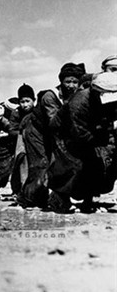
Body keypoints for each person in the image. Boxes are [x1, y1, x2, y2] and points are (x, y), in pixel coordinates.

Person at [17, 63, 86, 208]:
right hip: (35, 132)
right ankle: (27, 199)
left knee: (57, 165)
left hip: (51, 133)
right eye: (68, 81)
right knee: (40, 165)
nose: (71, 85)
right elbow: (54, 122)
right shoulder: (50, 96)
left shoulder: (76, 95)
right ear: (61, 82)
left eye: (75, 82)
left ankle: (47, 197)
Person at [48, 72, 117, 213]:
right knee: (73, 165)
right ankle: (59, 198)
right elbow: (78, 132)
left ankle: (88, 200)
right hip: (65, 134)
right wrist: (101, 143)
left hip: (91, 132)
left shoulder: (110, 101)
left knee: (97, 165)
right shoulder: (79, 102)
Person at [9, 84, 36, 196]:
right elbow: (12, 130)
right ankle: (21, 191)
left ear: (34, 100)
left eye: (27, 101)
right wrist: (25, 133)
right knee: (21, 165)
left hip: (36, 144)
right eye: (22, 102)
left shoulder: (37, 112)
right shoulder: (16, 113)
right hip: (21, 144)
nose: (25, 105)